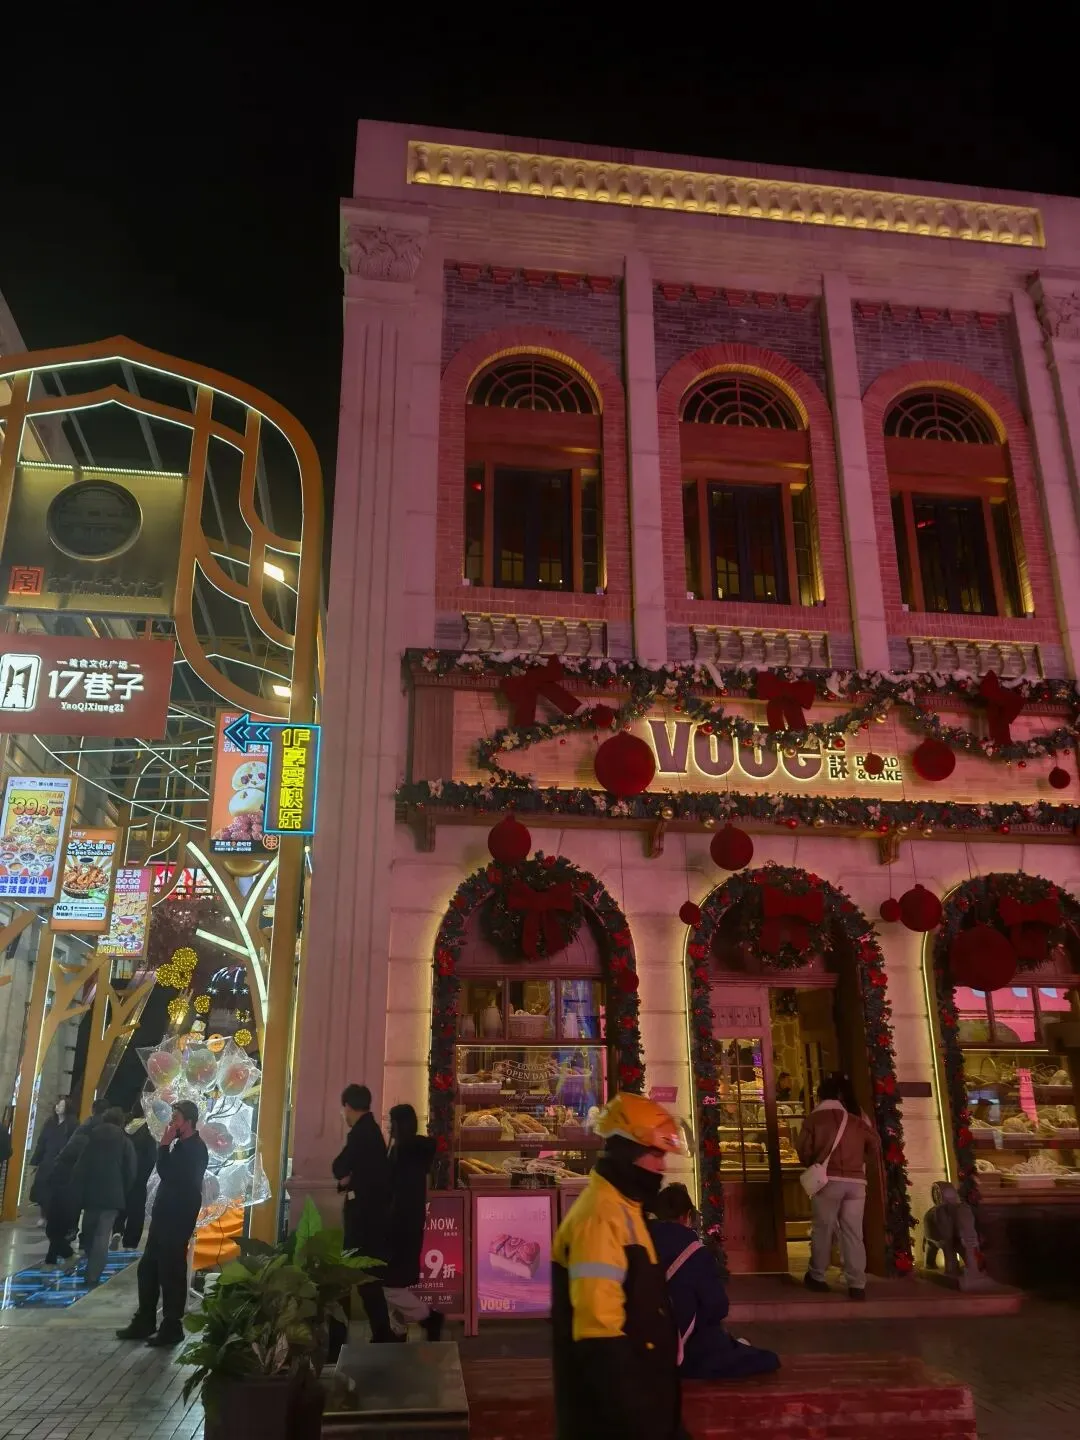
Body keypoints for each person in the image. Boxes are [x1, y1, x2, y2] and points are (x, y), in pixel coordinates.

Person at [552, 1092, 683, 1440]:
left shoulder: (626, 1207)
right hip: (614, 1422)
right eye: (656, 1154)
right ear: (629, 1152)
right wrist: (641, 1421)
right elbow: (600, 1338)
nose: (662, 1167)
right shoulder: (600, 1218)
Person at [647, 1183, 779, 1379]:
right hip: (688, 1350)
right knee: (767, 1359)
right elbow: (716, 1306)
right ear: (686, 1216)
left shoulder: (639, 1242)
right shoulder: (694, 1251)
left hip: (644, 1347)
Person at [116, 1100, 208, 1346]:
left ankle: (172, 1325)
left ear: (188, 1122)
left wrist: (164, 1145)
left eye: (176, 1119)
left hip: (177, 1218)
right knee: (148, 1268)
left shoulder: (195, 1149)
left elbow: (169, 1174)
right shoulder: (182, 1146)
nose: (171, 1123)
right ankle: (145, 1319)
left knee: (171, 1270)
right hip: (164, 1215)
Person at [796, 1072, 880, 1301]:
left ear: (820, 1096)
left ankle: (817, 1276)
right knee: (853, 1232)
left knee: (823, 1229)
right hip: (856, 1183)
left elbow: (803, 1149)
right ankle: (857, 1283)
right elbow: (874, 1144)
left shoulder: (814, 1120)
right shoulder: (855, 1120)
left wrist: (814, 1162)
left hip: (828, 1181)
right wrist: (860, 1161)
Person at [331, 1083, 393, 1343]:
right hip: (373, 1217)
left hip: (363, 1220)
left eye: (343, 1109)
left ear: (348, 1106)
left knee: (355, 1276)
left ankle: (341, 1338)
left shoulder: (360, 1133)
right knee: (368, 1280)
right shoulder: (372, 1131)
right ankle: (381, 1332)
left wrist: (347, 1177)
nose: (343, 1114)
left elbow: (339, 1166)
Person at [380, 1103, 442, 1341]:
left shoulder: (403, 1154)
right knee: (397, 1283)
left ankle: (427, 1316)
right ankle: (398, 1329)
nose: (389, 1127)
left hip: (400, 1225)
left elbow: (397, 1193)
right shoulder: (415, 1152)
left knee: (389, 1285)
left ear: (399, 1124)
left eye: (391, 1122)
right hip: (410, 1223)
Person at [73, 1107, 135, 1286]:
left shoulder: (91, 1138)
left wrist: (79, 1190)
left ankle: (87, 1261)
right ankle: (93, 1275)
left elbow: (80, 1166)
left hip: (91, 1194)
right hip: (113, 1195)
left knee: (89, 1231)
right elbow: (131, 1170)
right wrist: (123, 1190)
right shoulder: (125, 1141)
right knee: (102, 1236)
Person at [112, 1107, 158, 1249]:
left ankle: (117, 1230)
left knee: (121, 1205)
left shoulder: (125, 1125)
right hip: (139, 1176)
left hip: (123, 1174)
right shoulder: (148, 1130)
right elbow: (152, 1156)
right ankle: (130, 1243)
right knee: (136, 1211)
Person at [29, 1097, 77, 1225]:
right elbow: (41, 1142)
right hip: (47, 1160)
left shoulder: (72, 1125)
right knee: (43, 1188)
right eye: (57, 1105)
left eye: (61, 1106)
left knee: (56, 1191)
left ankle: (53, 1217)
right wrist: (35, 1161)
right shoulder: (50, 1122)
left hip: (62, 1162)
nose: (57, 1108)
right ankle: (43, 1215)